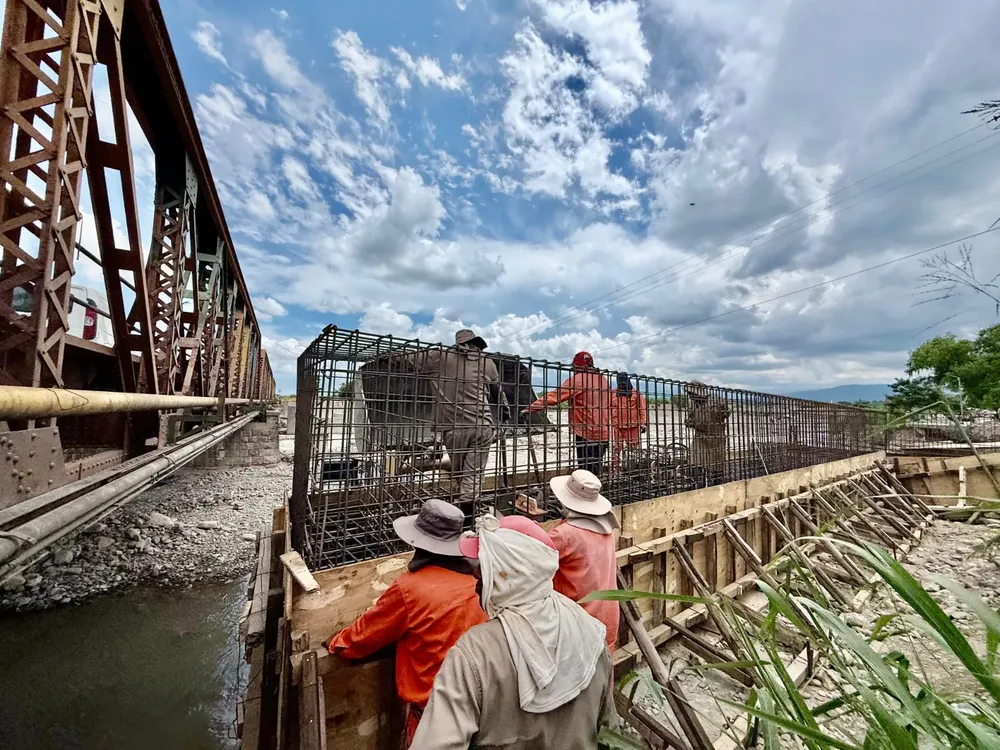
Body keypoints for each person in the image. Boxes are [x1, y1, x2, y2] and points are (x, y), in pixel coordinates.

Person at [410, 513, 615, 749]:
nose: (476, 576)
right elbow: (609, 736)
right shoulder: (592, 633)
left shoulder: (474, 654)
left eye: (485, 566)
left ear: (509, 572)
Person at [325, 499, 487, 746]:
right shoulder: (479, 582)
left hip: (433, 717)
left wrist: (334, 642)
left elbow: (359, 640)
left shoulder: (410, 589)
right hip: (481, 706)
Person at [402, 329, 509, 509]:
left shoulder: (438, 356)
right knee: (472, 474)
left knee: (461, 472)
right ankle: (467, 510)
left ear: (457, 343)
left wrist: (388, 353)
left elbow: (405, 357)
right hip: (482, 426)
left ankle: (464, 512)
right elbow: (498, 393)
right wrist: (505, 415)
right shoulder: (488, 361)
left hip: (452, 428)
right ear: (477, 344)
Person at [548, 470, 620, 650]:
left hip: (578, 621)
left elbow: (535, 558)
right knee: (603, 671)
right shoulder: (606, 529)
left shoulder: (565, 534)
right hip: (608, 617)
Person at [521, 351, 612, 476]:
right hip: (604, 433)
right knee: (596, 468)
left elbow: (555, 396)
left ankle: (586, 494)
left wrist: (530, 408)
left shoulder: (578, 380)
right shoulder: (603, 379)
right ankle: (594, 491)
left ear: (577, 366)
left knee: (585, 472)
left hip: (587, 433)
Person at [684, 381, 729, 487]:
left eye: (693, 394)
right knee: (695, 463)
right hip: (700, 437)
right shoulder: (693, 405)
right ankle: (697, 486)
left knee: (716, 466)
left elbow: (726, 413)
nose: (691, 396)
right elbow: (689, 419)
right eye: (690, 394)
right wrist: (690, 422)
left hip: (716, 438)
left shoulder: (717, 400)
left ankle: (718, 486)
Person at [611, 372, 647, 473]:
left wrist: (643, 423)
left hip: (632, 427)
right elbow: (607, 408)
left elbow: (642, 409)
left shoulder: (636, 394)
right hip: (617, 426)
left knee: (633, 450)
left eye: (623, 383)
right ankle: (615, 470)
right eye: (620, 383)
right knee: (616, 449)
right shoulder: (613, 393)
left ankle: (632, 469)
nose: (622, 385)